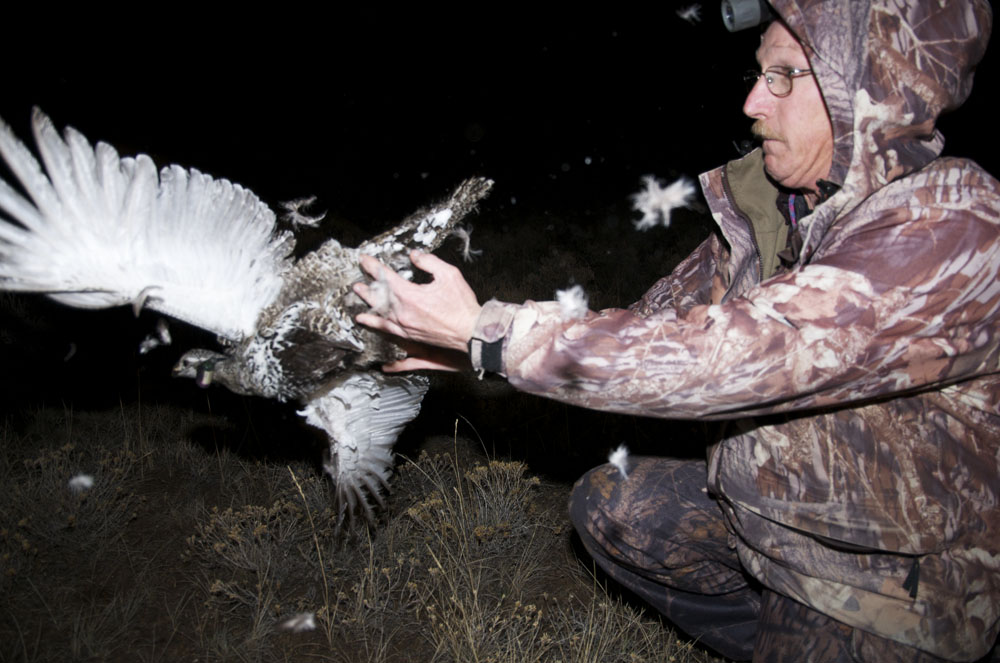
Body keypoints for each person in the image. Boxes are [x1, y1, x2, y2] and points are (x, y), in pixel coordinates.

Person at [354, 1, 1000, 660]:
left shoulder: (947, 227)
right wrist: (471, 351)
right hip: (783, 533)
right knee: (616, 504)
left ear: (871, 89)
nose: (752, 101)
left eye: (785, 76)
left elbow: (730, 356)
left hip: (899, 586)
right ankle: (781, 632)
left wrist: (491, 334)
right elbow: (648, 331)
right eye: (757, 73)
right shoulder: (780, 212)